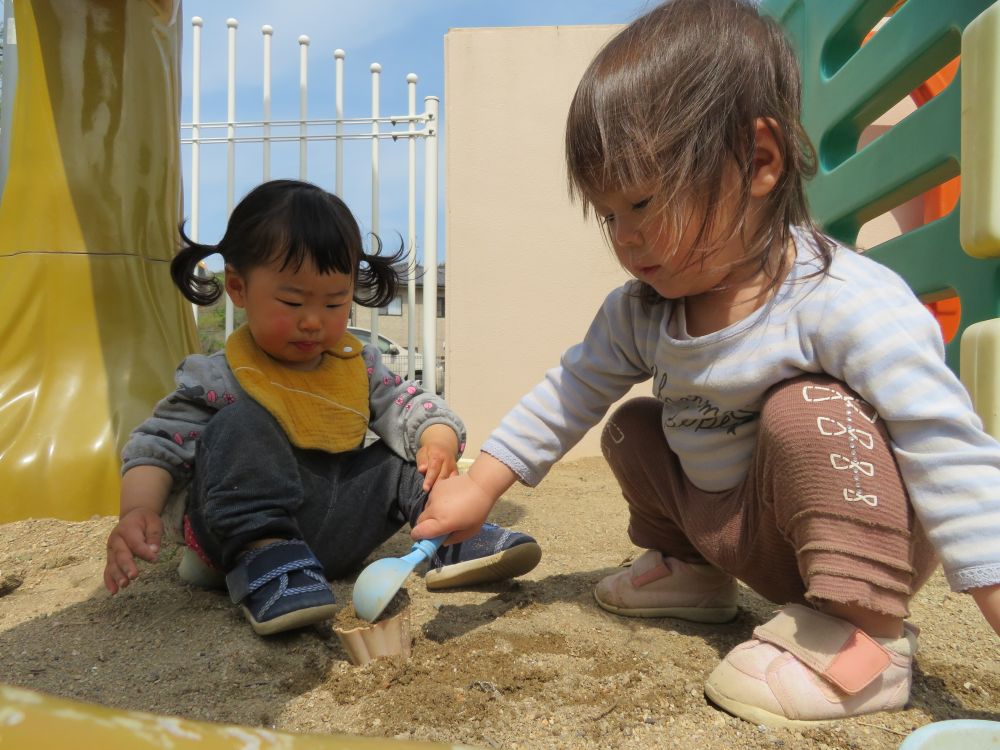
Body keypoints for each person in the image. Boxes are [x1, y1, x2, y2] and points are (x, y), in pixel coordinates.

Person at [410, 0, 1000, 729]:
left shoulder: (840, 300)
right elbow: (570, 390)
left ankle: (862, 643)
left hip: (852, 541)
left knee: (805, 409)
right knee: (634, 426)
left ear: (758, 161)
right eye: (608, 216)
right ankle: (692, 575)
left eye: (643, 202)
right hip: (736, 527)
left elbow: (944, 440)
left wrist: (992, 582)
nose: (625, 239)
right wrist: (483, 485)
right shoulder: (644, 309)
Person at [103, 179, 541, 636]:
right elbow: (160, 445)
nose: (313, 320)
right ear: (237, 286)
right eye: (291, 301)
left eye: (335, 302)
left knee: (402, 458)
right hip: (241, 533)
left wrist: (436, 438)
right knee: (241, 424)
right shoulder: (218, 376)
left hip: (334, 528)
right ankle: (265, 558)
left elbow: (409, 404)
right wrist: (138, 509)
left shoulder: (357, 365)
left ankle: (447, 538)